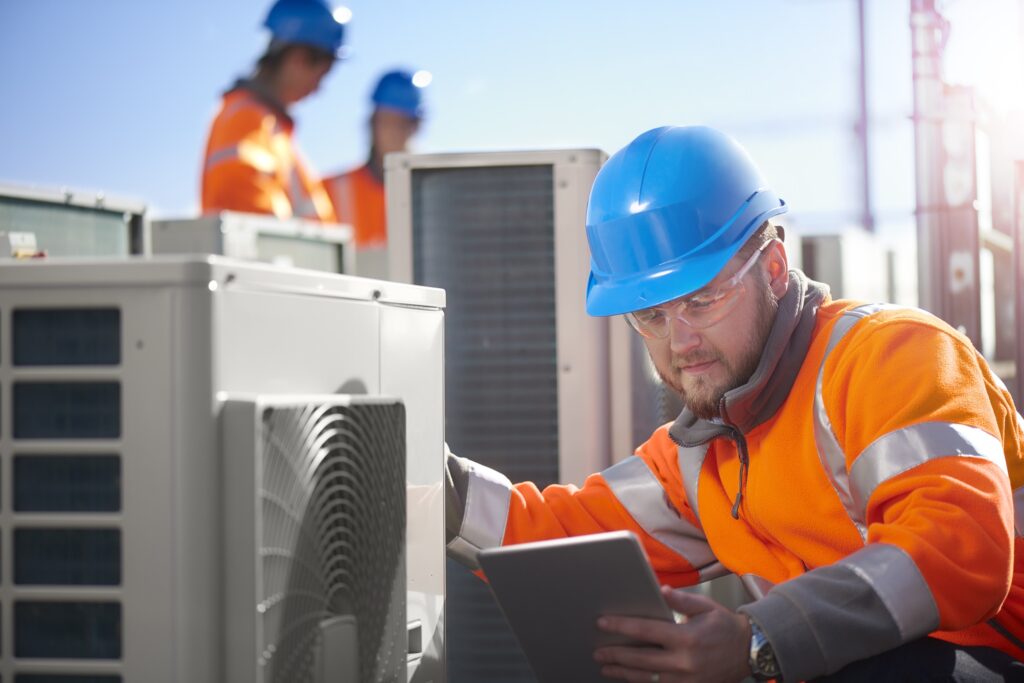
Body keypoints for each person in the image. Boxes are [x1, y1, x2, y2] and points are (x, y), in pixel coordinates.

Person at [444, 125, 1024, 681]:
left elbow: (957, 549)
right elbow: (555, 538)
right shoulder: (702, 452)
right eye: (651, 315)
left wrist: (756, 640)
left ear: (772, 270)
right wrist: (428, 487)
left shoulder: (891, 356)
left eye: (702, 299)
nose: (679, 342)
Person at [201, 0, 345, 223]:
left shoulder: (270, 127)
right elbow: (255, 226)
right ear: (298, 58)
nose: (318, 88)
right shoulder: (247, 120)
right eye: (321, 75)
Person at [324, 69, 426, 274]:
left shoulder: (429, 194)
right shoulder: (330, 190)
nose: (394, 133)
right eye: (387, 122)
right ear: (372, 124)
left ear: (416, 127)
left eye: (402, 123)